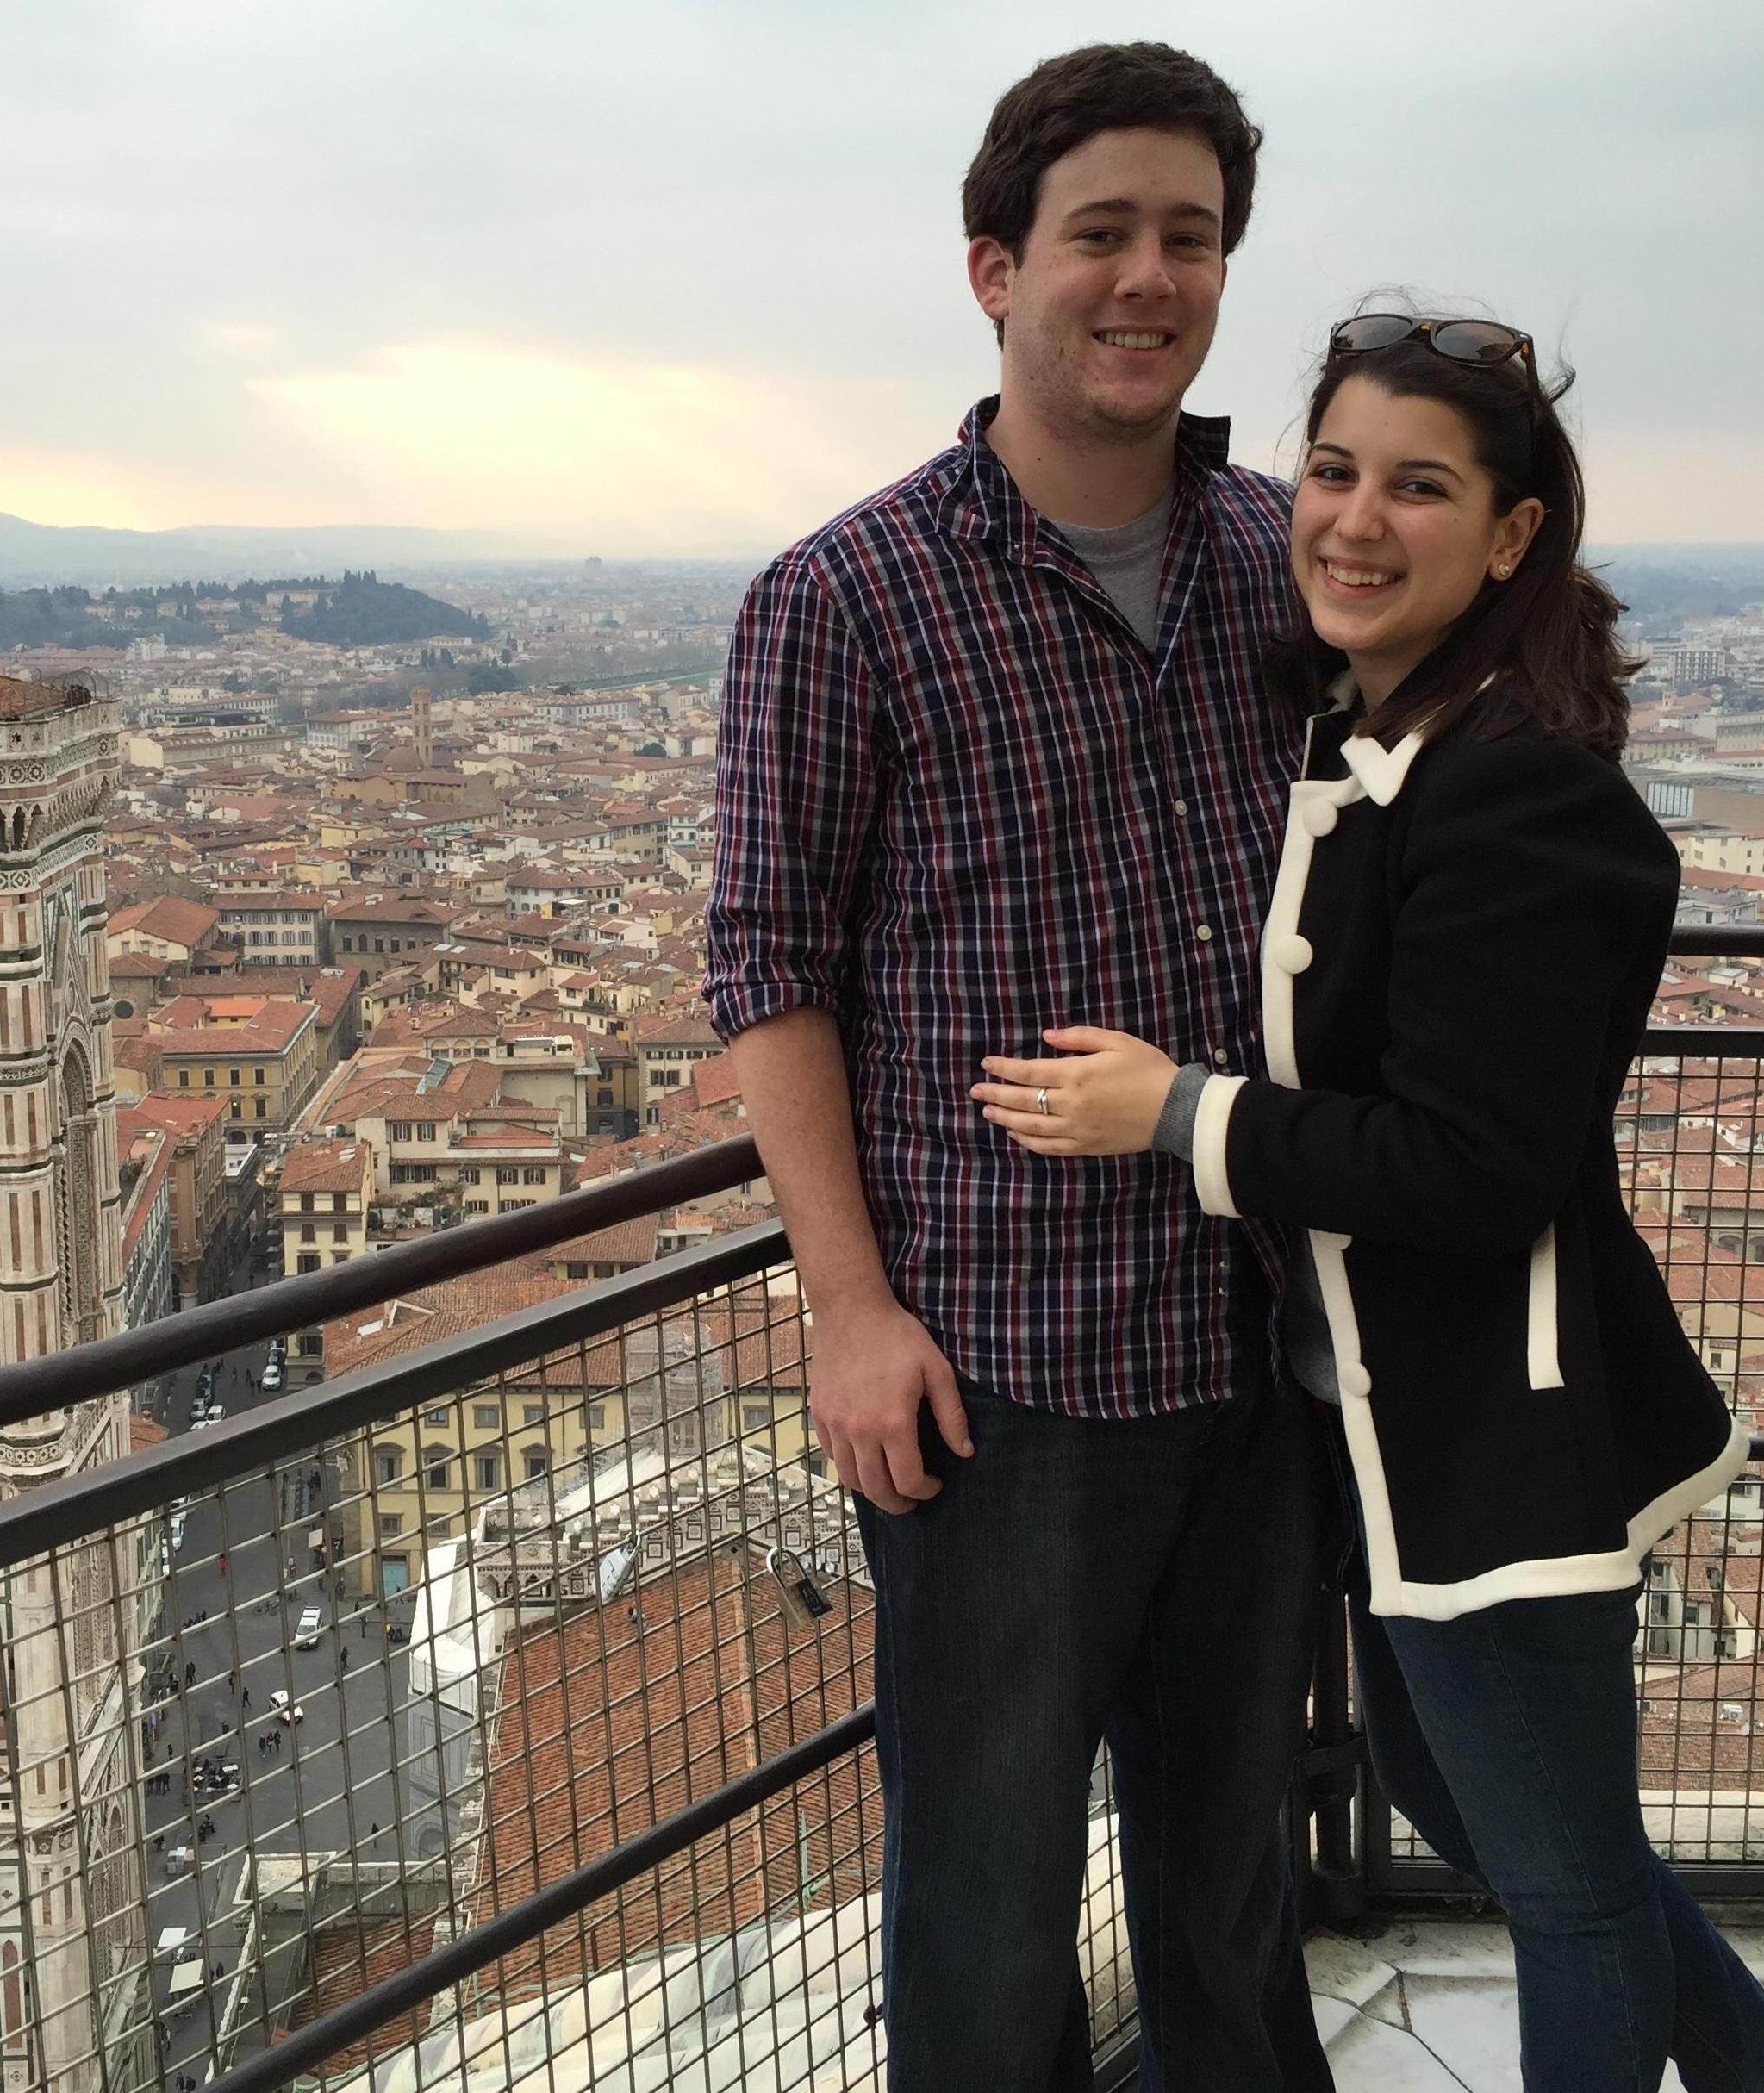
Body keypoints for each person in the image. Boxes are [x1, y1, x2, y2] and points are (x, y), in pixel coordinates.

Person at [977, 314, 1764, 2091]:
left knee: (1560, 1890)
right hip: (1391, 1442)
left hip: (1507, 1435)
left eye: (1419, 485)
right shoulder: (1366, 743)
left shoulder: (1524, 791)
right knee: (1496, 1823)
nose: (1351, 516)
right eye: (1333, 472)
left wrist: (1171, 1115)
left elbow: (1472, 1172)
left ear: (1511, 537)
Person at [706, 41, 1334, 2093]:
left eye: (1192, 237)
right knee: (979, 1902)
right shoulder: (844, 597)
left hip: (1259, 1331)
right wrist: (851, 1315)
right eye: (1102, 235)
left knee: (1234, 1873)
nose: (1149, 277)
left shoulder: (1279, 561)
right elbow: (773, 976)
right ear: (994, 268)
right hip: (997, 1372)